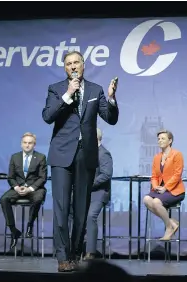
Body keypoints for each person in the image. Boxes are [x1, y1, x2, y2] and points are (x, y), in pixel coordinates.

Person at [42, 50, 119, 272]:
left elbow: (110, 119)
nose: (73, 66)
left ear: (83, 65)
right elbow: (47, 116)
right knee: (61, 208)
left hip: (86, 156)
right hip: (61, 155)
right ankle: (62, 257)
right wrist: (68, 94)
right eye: (68, 64)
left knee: (81, 210)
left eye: (76, 62)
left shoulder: (96, 90)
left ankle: (75, 253)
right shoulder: (56, 89)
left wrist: (112, 98)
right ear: (65, 68)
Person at [0, 132, 47, 250]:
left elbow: (42, 178)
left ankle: (30, 226)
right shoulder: (15, 157)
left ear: (34, 145)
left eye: (30, 143)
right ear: (21, 144)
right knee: (4, 199)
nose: (27, 145)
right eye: (25, 143)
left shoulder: (41, 157)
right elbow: (10, 177)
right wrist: (16, 187)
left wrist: (30, 189)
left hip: (34, 188)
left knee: (38, 198)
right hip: (18, 187)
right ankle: (13, 230)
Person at [143, 129, 184, 240]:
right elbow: (154, 176)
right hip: (160, 190)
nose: (160, 141)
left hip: (174, 190)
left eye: (163, 138)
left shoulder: (177, 154)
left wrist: (165, 188)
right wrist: (156, 186)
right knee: (146, 199)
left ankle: (168, 228)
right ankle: (171, 222)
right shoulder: (156, 157)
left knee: (156, 202)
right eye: (158, 139)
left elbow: (177, 175)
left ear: (170, 140)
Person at [84, 128, 112, 260]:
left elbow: (106, 174)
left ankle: (90, 252)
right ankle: (76, 247)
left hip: (99, 192)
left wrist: (89, 185)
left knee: (90, 217)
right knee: (70, 213)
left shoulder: (104, 153)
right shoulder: (86, 153)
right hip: (85, 192)